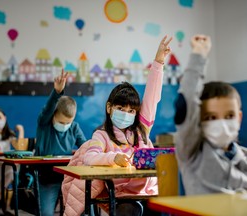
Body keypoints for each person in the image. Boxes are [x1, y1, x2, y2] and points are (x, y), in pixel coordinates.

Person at [61, 35, 173, 216]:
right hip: (123, 196)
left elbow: (152, 96)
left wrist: (159, 61)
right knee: (130, 210)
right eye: (120, 108)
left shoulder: (141, 130)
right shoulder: (102, 135)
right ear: (109, 107)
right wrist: (113, 159)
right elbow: (90, 157)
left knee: (165, 207)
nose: (126, 114)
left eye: (131, 111)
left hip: (148, 191)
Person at [174, 34, 247, 196]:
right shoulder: (192, 153)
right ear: (198, 121)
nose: (221, 123)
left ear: (239, 118)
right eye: (211, 117)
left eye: (229, 116)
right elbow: (186, 102)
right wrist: (199, 54)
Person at [34, 71, 87, 216]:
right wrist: (57, 92)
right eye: (61, 121)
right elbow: (47, 109)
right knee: (45, 213)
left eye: (68, 122)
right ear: (53, 115)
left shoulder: (74, 127)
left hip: (68, 177)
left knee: (79, 209)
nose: (65, 125)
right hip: (46, 178)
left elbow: (85, 146)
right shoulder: (44, 123)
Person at [0, 107, 24, 213]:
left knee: (15, 166)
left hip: (5, 167)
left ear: (5, 118)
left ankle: (4, 203)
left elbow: (19, 148)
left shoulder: (9, 134)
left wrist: (21, 130)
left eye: (0, 117)